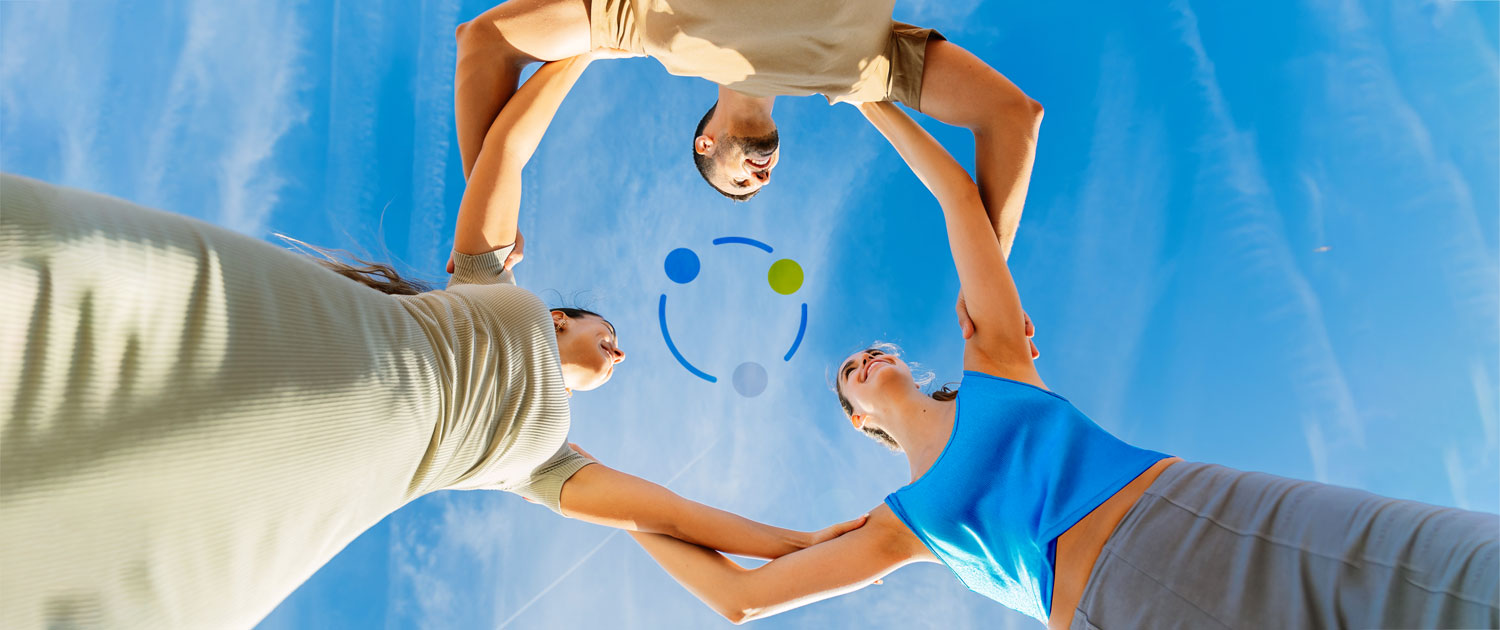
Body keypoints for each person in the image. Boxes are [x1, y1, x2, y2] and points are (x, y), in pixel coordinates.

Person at [0, 51, 859, 629]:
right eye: (611, 328)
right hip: (291, 323)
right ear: (557, 316)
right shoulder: (486, 285)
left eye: (617, 345)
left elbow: (676, 518)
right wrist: (597, 38)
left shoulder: (544, 462)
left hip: (318, 479)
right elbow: (510, 146)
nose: (620, 351)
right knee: (93, 300)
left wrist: (811, 545)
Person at [617, 100, 1500, 629]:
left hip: (1198, 506)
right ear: (861, 421)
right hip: (1121, 602)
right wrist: (620, 510)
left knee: (1460, 574)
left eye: (869, 351)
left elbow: (961, 198)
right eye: (849, 373)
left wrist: (869, 99)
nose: (866, 360)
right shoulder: (903, 523)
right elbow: (743, 602)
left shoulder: (997, 366)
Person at [455, 0, 1036, 213]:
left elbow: (486, 43)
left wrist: (483, 214)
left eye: (738, 184)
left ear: (705, 143)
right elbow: (1013, 118)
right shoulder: (862, 74)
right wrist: (991, 280)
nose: (759, 178)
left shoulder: (640, 26)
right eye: (763, 184)